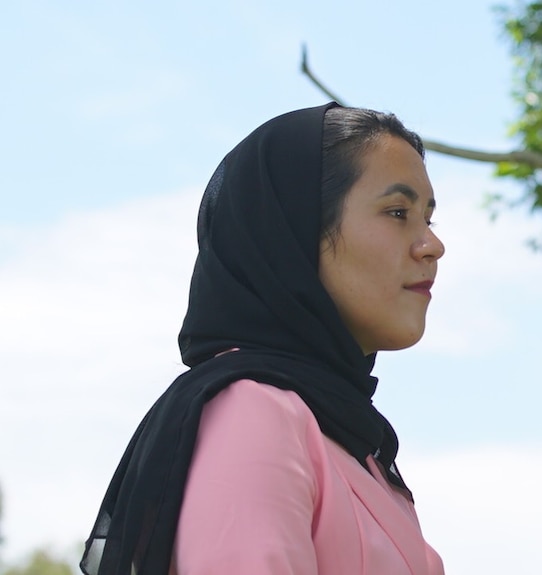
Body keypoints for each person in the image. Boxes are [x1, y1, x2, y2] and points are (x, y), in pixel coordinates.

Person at [80, 102, 446, 575]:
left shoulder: (352, 441)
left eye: (428, 219)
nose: (432, 245)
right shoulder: (252, 412)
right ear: (295, 230)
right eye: (398, 212)